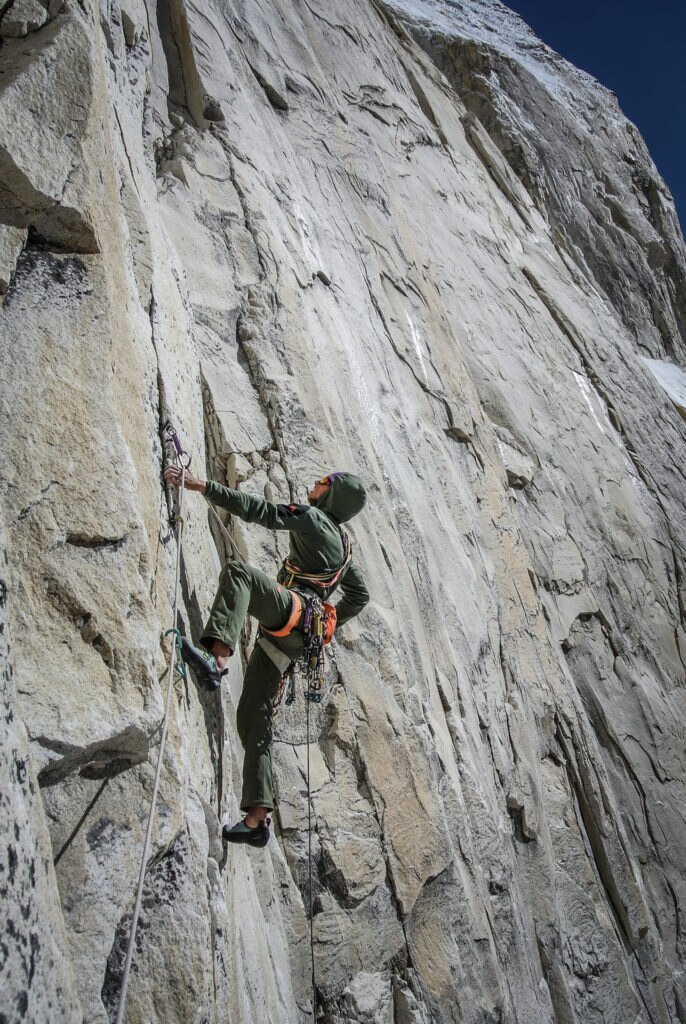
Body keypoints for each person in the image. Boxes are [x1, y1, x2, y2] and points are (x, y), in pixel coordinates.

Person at [163, 466, 369, 847]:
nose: (315, 484)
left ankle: (216, 659)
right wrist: (327, 623)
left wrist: (202, 485)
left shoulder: (312, 518)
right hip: (299, 637)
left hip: (290, 614)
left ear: (331, 494)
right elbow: (360, 596)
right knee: (254, 713)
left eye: (323, 482)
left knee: (240, 575)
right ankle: (257, 817)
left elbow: (263, 511)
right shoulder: (345, 549)